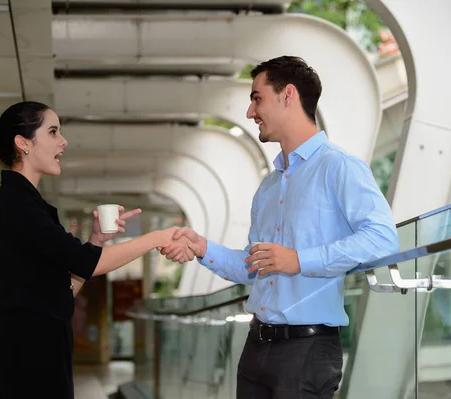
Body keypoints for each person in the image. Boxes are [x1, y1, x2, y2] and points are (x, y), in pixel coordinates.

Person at [161, 56, 399, 398]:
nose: (249, 112)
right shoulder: (269, 188)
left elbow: (383, 238)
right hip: (256, 346)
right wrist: (201, 247)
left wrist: (300, 260)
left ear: (288, 96)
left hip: (308, 351)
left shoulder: (339, 167)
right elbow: (254, 266)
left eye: (257, 98)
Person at [0, 101, 193, 399]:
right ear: (23, 142)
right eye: (53, 132)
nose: (63, 141)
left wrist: (97, 241)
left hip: (39, 344)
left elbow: (61, 291)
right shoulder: (17, 204)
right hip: (28, 349)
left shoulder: (28, 203)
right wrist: (157, 237)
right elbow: (90, 264)